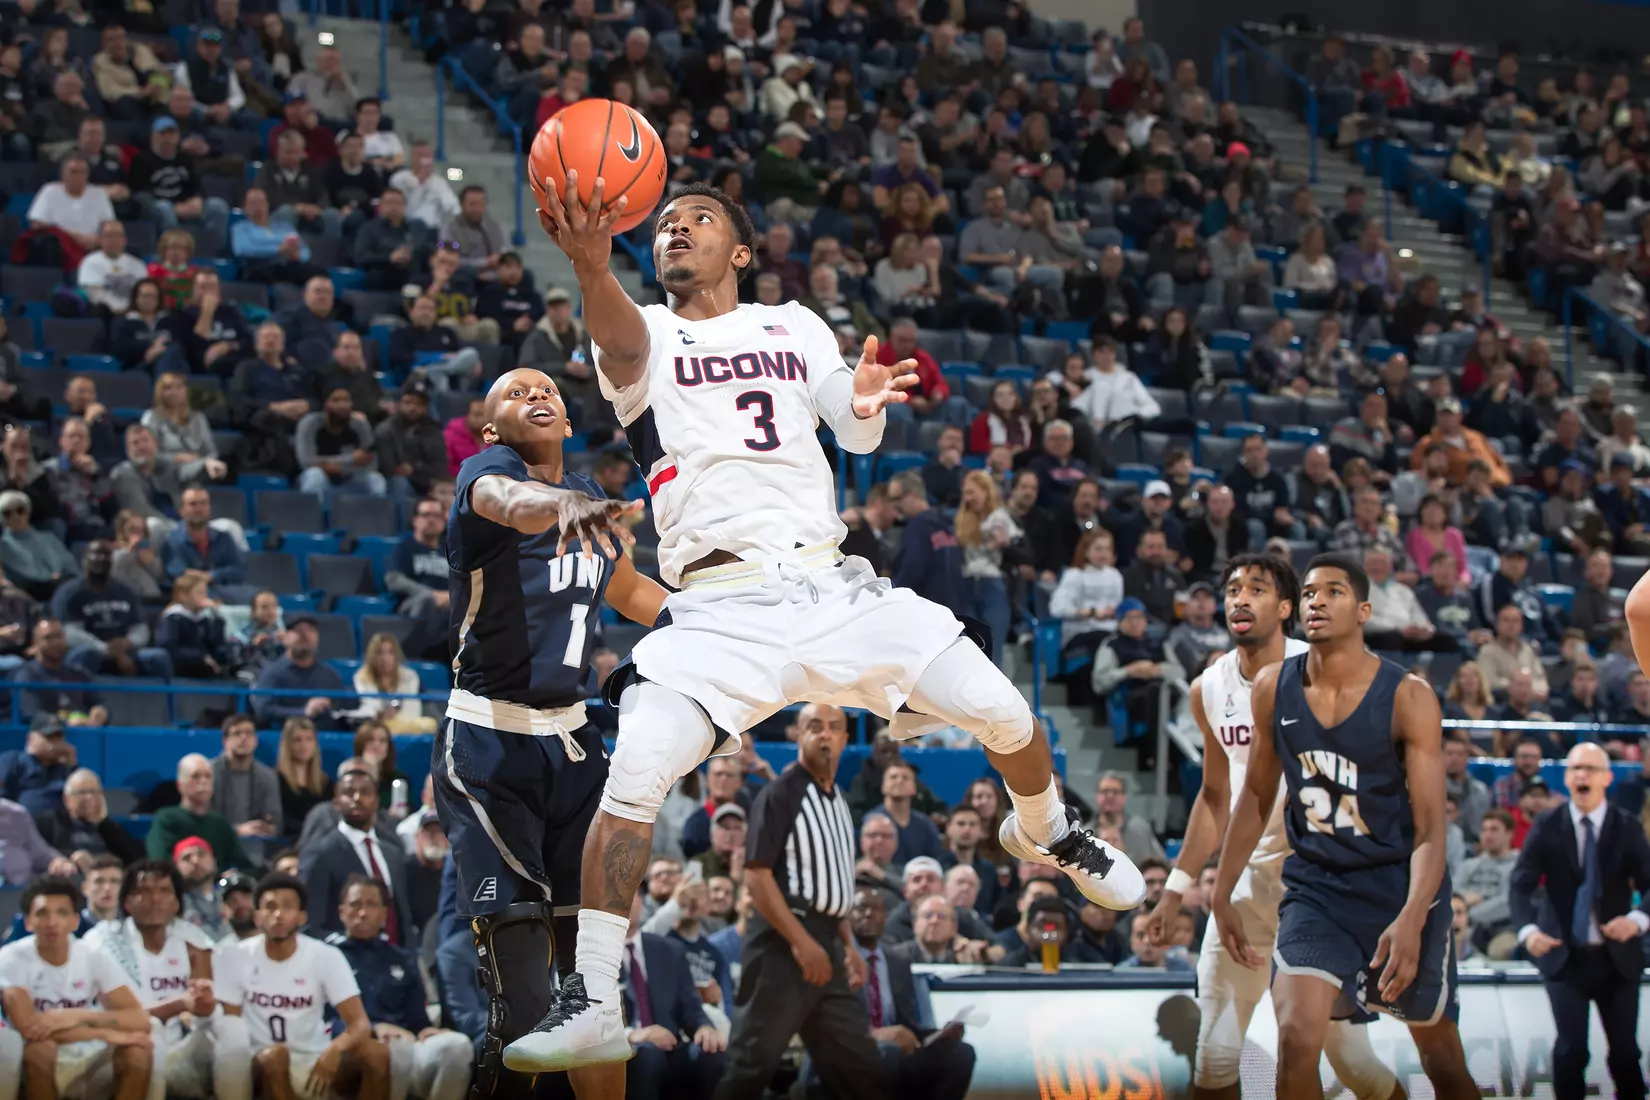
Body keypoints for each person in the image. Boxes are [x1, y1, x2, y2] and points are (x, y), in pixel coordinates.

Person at [511, 182, 1144, 1070]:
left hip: (830, 588)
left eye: (695, 219)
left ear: (740, 250)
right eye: (661, 224)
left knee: (1006, 714)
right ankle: (592, 999)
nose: (672, 231)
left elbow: (855, 429)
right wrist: (587, 260)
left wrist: (868, 395)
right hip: (716, 610)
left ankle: (1044, 827)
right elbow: (615, 338)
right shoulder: (644, 332)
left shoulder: (794, 326)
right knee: (635, 775)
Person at [431, 368, 672, 1098]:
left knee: (593, 998)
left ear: (567, 422)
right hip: (488, 748)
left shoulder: (592, 518)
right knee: (527, 1006)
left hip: (572, 752)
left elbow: (634, 595)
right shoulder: (487, 480)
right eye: (514, 392)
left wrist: (725, 630)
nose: (536, 395)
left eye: (548, 390)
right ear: (491, 426)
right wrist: (563, 502)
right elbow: (515, 503)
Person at [1213, 554, 1474, 1100]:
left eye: (1333, 592)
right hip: (1317, 888)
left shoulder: (1409, 696)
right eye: (1309, 593)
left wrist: (1410, 918)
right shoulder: (1272, 688)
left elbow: (1430, 829)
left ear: (1363, 610)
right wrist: (1220, 889)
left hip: (1396, 886)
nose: (1317, 602)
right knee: (1295, 1039)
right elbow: (1256, 796)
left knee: (1441, 1057)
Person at [1138, 554, 1395, 1099]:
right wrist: (1177, 891)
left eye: (1256, 589)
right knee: (1214, 1057)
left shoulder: (1325, 668)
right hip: (1247, 886)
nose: (1239, 599)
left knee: (1350, 1062)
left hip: (1321, 887)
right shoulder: (1207, 687)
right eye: (1233, 589)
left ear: (1285, 608)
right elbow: (1214, 799)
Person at [1509, 742, 1650, 1100]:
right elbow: (1519, 884)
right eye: (1574, 769)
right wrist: (1528, 931)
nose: (1581, 774)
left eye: (1589, 768)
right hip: (1563, 956)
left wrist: (1638, 919)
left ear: (1607, 777)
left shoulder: (1627, 827)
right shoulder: (1548, 825)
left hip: (1617, 959)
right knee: (1570, 1051)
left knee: (1625, 1054)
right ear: (1567, 778)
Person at [83, 859, 246, 1100]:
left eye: (164, 891)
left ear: (176, 903)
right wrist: (179, 1004)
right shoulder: (104, 939)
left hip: (180, 1052)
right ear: (127, 902)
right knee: (150, 1031)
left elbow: (204, 1006)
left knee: (233, 1028)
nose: (155, 899)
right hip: (119, 1052)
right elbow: (124, 1016)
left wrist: (204, 1005)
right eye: (144, 892)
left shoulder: (193, 940)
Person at [217, 873, 391, 1100]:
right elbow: (231, 1031)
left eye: (287, 907)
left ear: (302, 917)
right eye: (270, 907)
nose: (278, 915)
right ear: (257, 917)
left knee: (376, 1054)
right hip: (261, 1061)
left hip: (314, 1058)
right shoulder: (235, 956)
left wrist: (335, 1050)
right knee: (275, 1056)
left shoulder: (325, 955)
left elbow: (359, 1024)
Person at [0, 876, 156, 1100]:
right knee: (40, 1049)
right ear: (28, 922)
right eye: (42, 913)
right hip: (35, 1058)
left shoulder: (92, 954)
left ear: (75, 921)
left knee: (138, 1051)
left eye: (62, 913)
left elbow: (140, 1019)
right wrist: (105, 1032)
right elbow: (30, 1029)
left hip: (88, 1053)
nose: (52, 921)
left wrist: (74, 1015)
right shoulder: (11, 957)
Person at [326, 875, 472, 1100]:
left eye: (372, 905)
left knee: (458, 1046)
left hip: (407, 1044)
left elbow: (417, 1020)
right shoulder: (327, 957)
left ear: (384, 914)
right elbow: (321, 1018)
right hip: (354, 1050)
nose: (363, 913)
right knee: (392, 1050)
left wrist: (425, 1030)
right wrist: (375, 1028)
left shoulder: (403, 959)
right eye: (355, 905)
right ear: (341, 912)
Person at [848, 887, 976, 1100]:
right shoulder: (836, 959)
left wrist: (939, 1035)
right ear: (847, 917)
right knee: (888, 1052)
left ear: (885, 918)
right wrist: (877, 1034)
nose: (869, 914)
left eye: (876, 909)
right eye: (861, 908)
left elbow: (908, 1023)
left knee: (960, 1053)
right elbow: (827, 1021)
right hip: (854, 1046)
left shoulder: (897, 961)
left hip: (897, 1051)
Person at [297, 764, 413, 947]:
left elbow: (402, 920)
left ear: (376, 801)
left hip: (392, 961)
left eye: (365, 792)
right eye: (349, 792)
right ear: (336, 802)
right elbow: (311, 924)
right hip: (342, 962)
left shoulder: (392, 853)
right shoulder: (320, 853)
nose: (357, 798)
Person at [147, 755, 253, 870]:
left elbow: (245, 866)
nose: (203, 782)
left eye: (208, 776)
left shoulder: (219, 823)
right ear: (180, 785)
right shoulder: (166, 818)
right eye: (195, 776)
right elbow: (159, 861)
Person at [250, 616, 355, 729]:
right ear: (284, 637)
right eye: (298, 631)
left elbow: (345, 704)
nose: (304, 635)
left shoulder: (329, 674)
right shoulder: (272, 673)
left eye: (311, 630)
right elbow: (264, 710)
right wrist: (303, 712)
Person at [34, 767, 144, 868]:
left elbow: (135, 858)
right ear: (66, 799)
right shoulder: (50, 821)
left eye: (94, 792)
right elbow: (39, 853)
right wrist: (71, 856)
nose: (89, 797)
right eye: (82, 792)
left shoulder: (108, 828)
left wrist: (103, 823)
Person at [212, 713, 282, 841]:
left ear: (255, 741)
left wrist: (269, 828)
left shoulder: (268, 776)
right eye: (236, 733)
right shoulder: (208, 773)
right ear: (225, 741)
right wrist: (237, 831)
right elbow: (202, 820)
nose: (243, 738)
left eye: (249, 733)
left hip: (256, 843)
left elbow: (276, 821)